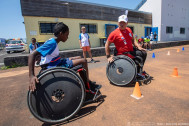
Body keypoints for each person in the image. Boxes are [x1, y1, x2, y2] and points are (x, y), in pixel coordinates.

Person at [28, 22, 101, 91]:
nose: (67, 37)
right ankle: (87, 85)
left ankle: (87, 81)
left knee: (79, 57)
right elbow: (32, 55)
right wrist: (31, 76)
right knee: (84, 61)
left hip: (56, 62)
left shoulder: (53, 41)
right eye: (67, 35)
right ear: (61, 34)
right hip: (52, 66)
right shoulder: (52, 43)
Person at [105, 12, 148, 76]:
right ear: (118, 23)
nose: (122, 24)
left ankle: (139, 71)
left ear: (127, 23)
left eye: (124, 22)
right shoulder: (114, 33)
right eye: (120, 22)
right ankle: (138, 72)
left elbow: (133, 40)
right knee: (141, 54)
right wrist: (108, 56)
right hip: (123, 53)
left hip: (131, 51)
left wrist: (138, 46)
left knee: (143, 52)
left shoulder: (129, 30)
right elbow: (107, 45)